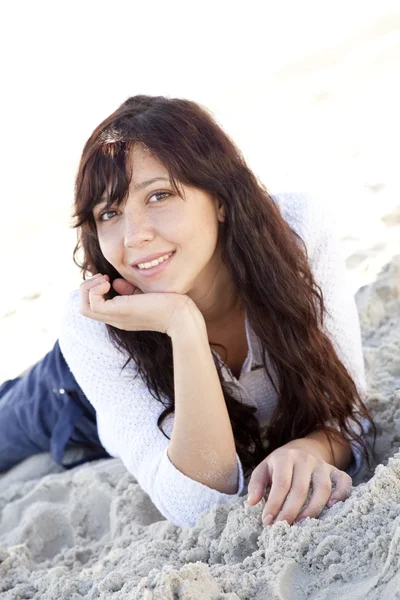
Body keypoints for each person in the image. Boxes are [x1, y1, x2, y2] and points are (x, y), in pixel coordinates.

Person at [0, 94, 376, 528]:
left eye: (158, 195)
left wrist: (312, 448)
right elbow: (199, 507)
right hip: (73, 395)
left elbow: (351, 411)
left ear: (219, 197)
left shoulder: (298, 235)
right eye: (110, 212)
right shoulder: (93, 328)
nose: (134, 236)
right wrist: (182, 325)